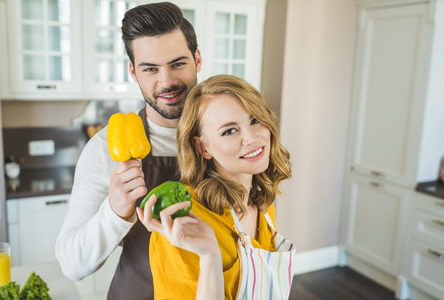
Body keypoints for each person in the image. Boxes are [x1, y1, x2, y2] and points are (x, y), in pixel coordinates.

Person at [55, 2, 202, 299]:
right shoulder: (104, 148)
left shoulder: (226, 133)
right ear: (134, 72)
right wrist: (114, 212)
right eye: (151, 69)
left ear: (197, 59)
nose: (167, 81)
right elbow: (72, 265)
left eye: (178, 63)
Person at [138, 74, 296, 300]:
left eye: (255, 120)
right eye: (229, 131)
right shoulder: (181, 223)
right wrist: (210, 256)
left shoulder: (263, 205)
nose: (251, 138)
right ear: (202, 147)